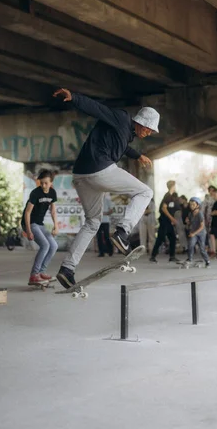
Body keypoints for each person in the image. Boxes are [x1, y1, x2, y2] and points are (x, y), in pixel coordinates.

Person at [54, 88, 158, 288]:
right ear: (140, 121)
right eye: (148, 129)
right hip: (99, 170)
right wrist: (74, 98)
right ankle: (122, 231)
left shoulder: (125, 133)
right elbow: (97, 109)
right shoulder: (121, 118)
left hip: (81, 176)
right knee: (145, 192)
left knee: (93, 222)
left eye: (151, 132)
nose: (148, 133)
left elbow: (123, 147)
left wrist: (138, 155)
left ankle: (67, 269)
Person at [22, 169, 59, 285]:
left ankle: (42, 272)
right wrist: (28, 231)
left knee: (53, 246)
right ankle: (34, 275)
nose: (43, 185)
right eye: (41, 182)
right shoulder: (35, 193)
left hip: (39, 224)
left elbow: (53, 211)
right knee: (45, 245)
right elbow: (27, 213)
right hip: (30, 223)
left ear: (51, 182)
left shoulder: (52, 193)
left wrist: (56, 226)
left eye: (46, 183)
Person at [150, 180, 180, 263]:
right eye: (175, 186)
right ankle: (153, 256)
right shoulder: (167, 196)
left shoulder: (172, 197)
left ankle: (172, 256)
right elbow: (164, 208)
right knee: (160, 238)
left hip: (168, 222)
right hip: (164, 221)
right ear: (172, 186)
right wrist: (172, 219)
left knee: (172, 238)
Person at [185, 197, 210, 268]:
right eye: (190, 205)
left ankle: (207, 261)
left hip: (201, 234)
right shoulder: (190, 214)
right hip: (194, 233)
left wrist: (194, 233)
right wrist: (188, 222)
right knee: (191, 245)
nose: (191, 206)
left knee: (202, 249)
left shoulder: (200, 214)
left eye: (193, 204)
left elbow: (202, 226)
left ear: (197, 205)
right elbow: (190, 224)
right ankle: (190, 259)